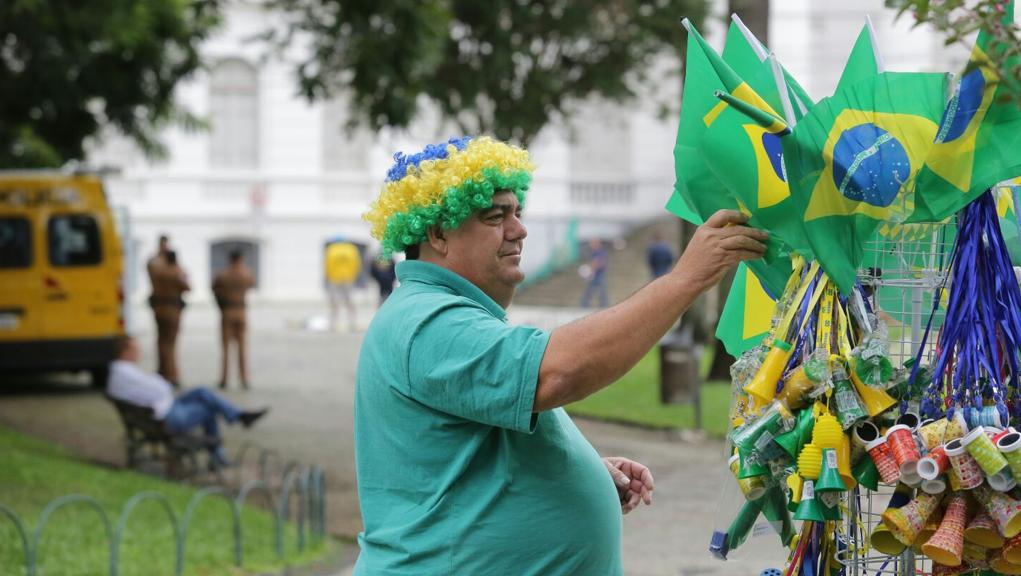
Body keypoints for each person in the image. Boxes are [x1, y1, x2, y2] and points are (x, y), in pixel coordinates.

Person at [355, 136, 767, 574]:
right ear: (438, 234)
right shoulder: (428, 319)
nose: (519, 229)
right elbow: (556, 373)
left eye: (517, 212)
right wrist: (685, 279)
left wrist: (570, 471)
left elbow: (464, 457)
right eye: (495, 216)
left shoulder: (438, 312)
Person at [107, 335, 268, 466]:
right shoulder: (125, 373)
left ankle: (238, 415)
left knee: (202, 392)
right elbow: (163, 388)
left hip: (159, 411)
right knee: (208, 409)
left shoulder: (120, 371)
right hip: (166, 416)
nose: (139, 352)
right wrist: (158, 383)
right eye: (136, 349)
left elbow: (158, 389)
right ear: (125, 352)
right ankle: (219, 455)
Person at [212, 249, 256, 389]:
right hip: (241, 311)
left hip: (227, 311)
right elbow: (252, 283)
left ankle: (224, 379)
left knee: (225, 348)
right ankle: (244, 378)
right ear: (240, 259)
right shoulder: (246, 273)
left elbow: (215, 289)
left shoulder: (223, 274)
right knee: (242, 347)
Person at [150, 250, 189, 386]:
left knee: (161, 341)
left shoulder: (158, 272)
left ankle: (162, 371)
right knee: (170, 343)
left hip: (159, 309)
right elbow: (187, 287)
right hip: (172, 310)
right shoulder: (176, 272)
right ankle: (172, 374)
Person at [324, 240, 361, 331]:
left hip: (334, 278)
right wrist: (354, 275)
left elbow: (327, 264)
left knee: (334, 302)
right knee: (349, 300)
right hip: (348, 278)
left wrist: (328, 276)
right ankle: (352, 323)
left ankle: (333, 324)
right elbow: (357, 264)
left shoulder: (331, 249)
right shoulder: (351, 249)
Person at [580, 237, 609, 308]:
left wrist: (591, 270)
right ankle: (584, 305)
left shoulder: (600, 252)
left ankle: (604, 305)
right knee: (590, 291)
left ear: (597, 244)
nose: (591, 246)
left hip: (599, 275)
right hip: (595, 275)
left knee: (601, 292)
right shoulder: (594, 252)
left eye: (592, 244)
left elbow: (600, 263)